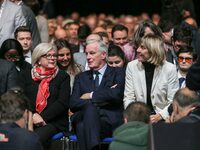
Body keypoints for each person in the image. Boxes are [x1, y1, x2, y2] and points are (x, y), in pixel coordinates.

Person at [70, 39, 125, 150]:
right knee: (88, 114)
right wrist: (104, 95)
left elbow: (116, 94)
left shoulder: (118, 72)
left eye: (92, 53)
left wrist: (90, 95)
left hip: (108, 121)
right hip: (85, 118)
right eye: (86, 54)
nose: (88, 57)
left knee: (82, 126)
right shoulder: (81, 77)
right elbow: (73, 103)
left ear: (104, 55)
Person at [20, 43, 71, 149]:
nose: (52, 58)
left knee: (34, 139)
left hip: (53, 122)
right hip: (29, 119)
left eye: (54, 55)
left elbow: (62, 102)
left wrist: (42, 117)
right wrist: (33, 115)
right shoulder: (25, 75)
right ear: (38, 59)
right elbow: (22, 99)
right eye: (48, 55)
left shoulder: (62, 76)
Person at [124, 34, 179, 123]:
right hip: (138, 116)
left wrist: (160, 116)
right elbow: (129, 97)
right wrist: (135, 116)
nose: (138, 50)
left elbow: (173, 100)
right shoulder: (131, 66)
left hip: (162, 117)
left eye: (142, 47)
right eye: (138, 47)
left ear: (153, 50)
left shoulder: (170, 69)